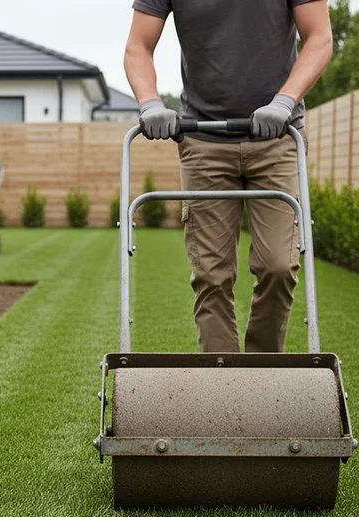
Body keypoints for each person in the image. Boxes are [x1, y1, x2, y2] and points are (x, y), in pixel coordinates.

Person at [125, 0, 333, 353]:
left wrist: (284, 101)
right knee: (211, 275)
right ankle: (222, 382)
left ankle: (261, 372)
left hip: (277, 137)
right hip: (203, 140)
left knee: (278, 266)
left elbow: (319, 37)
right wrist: (150, 104)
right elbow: (137, 47)